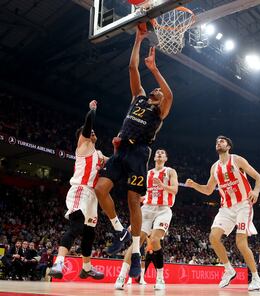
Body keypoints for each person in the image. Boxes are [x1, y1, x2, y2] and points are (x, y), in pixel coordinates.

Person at [94, 24, 173, 278]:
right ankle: (120, 231)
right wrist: (138, 39)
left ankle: (137, 251)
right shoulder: (138, 97)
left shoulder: (160, 111)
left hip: (140, 153)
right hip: (120, 151)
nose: (158, 90)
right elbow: (131, 68)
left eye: (159, 91)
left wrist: (155, 69)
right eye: (156, 88)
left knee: (131, 201)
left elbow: (170, 94)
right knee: (99, 189)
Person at [185, 136, 260, 291]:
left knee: (240, 242)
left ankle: (256, 278)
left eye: (222, 141)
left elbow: (259, 178)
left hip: (243, 204)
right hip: (226, 208)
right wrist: (194, 185)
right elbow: (208, 190)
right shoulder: (214, 168)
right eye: (216, 142)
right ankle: (228, 270)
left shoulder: (237, 160)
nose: (218, 143)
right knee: (213, 237)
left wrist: (255, 191)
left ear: (228, 146)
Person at [49, 100, 106, 280]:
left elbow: (114, 162)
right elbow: (88, 125)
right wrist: (92, 111)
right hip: (80, 190)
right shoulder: (83, 145)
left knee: (89, 232)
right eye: (89, 132)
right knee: (76, 227)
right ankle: (58, 263)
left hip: (92, 195)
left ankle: (87, 267)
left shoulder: (98, 154)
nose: (93, 133)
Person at [114, 149, 178, 290]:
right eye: (157, 153)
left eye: (162, 153)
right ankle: (121, 276)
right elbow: (142, 193)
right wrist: (141, 198)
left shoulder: (170, 171)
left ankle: (160, 278)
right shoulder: (147, 173)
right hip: (147, 208)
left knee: (155, 239)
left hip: (163, 209)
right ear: (154, 157)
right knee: (137, 242)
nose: (159, 154)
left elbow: (175, 190)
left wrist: (162, 186)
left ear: (166, 158)